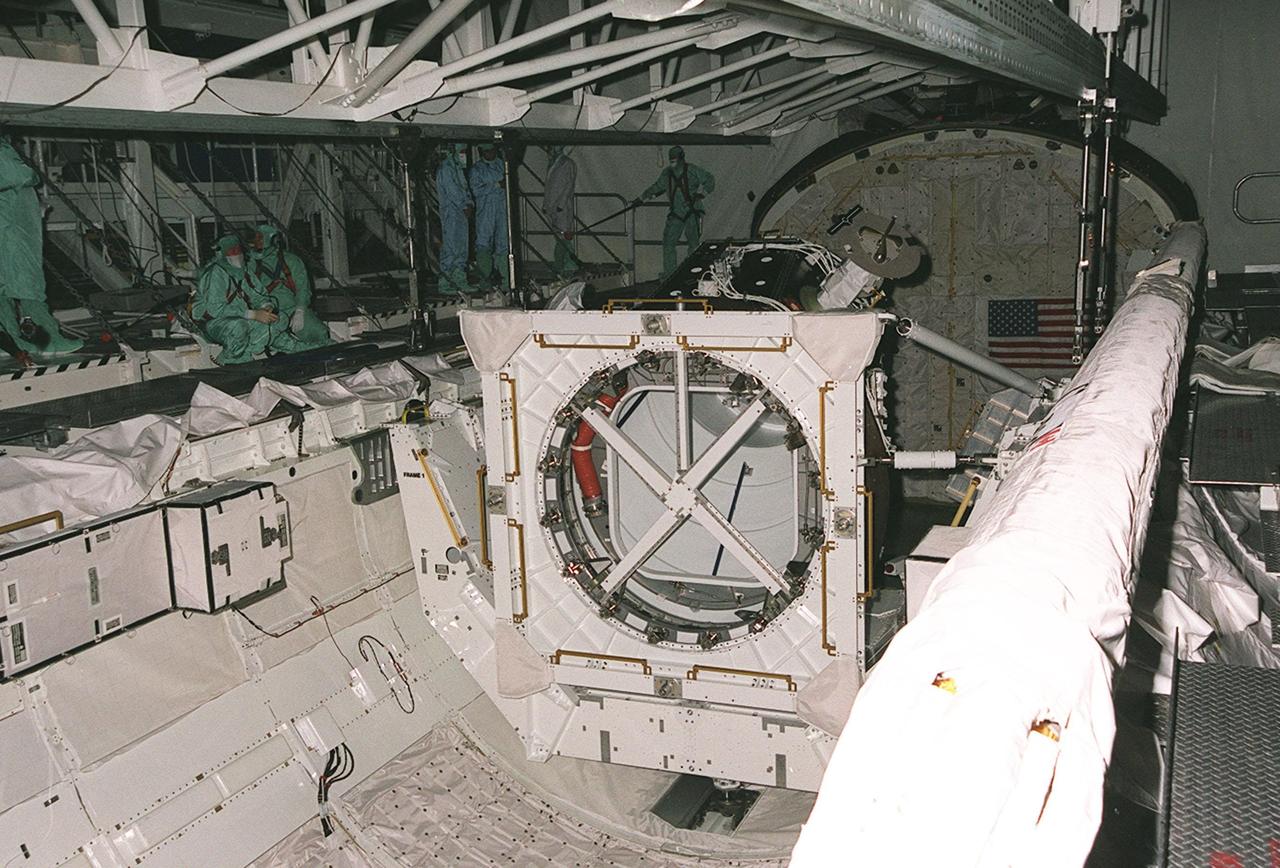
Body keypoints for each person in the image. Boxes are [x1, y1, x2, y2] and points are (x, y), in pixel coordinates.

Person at [0, 138, 83, 355]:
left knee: (3, 284)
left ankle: (7, 340)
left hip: (7, 221)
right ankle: (45, 341)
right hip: (14, 226)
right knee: (28, 280)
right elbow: (22, 175)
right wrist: (34, 174)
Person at [193, 234, 277, 365]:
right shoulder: (216, 273)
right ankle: (224, 360)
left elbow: (259, 295)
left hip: (238, 317)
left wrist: (266, 306)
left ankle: (244, 355)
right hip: (212, 322)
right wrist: (253, 314)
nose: (236, 253)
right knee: (239, 326)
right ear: (224, 254)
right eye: (232, 251)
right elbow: (215, 310)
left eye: (238, 250)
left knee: (277, 321)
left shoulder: (244, 271)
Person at [635, 145, 715, 278]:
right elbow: (656, 187)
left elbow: (709, 179)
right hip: (677, 212)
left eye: (674, 159)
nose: (672, 162)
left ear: (681, 158)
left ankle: (694, 273)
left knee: (693, 244)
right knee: (669, 244)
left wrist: (702, 194)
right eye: (671, 159)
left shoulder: (692, 170)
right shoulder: (667, 173)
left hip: (692, 211)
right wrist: (641, 198)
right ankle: (670, 275)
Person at [250, 223, 331, 350]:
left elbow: (303, 288)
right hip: (267, 313)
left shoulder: (292, 261)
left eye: (259, 238)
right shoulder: (251, 266)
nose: (255, 241)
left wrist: (300, 311)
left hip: (293, 310)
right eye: (255, 238)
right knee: (274, 340)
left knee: (319, 332)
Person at [469, 142, 510, 291]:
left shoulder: (502, 164)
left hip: (502, 208)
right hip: (486, 209)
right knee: (483, 242)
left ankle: (506, 280)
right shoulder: (477, 169)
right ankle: (485, 280)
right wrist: (496, 185)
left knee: (504, 243)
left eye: (492, 151)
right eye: (486, 152)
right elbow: (476, 189)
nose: (490, 154)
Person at [435, 143, 472, 295]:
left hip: (460, 212)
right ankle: (445, 282)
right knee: (451, 246)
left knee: (461, 246)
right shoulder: (446, 169)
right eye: (461, 151)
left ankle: (459, 280)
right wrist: (464, 204)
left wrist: (468, 203)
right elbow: (453, 190)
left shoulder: (456, 168)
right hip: (451, 212)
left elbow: (464, 188)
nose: (463, 154)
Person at [542, 144, 580, 277]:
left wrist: (562, 204)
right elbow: (549, 187)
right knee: (559, 236)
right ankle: (566, 264)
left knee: (564, 236)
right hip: (552, 205)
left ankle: (564, 264)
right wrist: (546, 205)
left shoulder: (567, 164)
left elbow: (568, 185)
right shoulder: (552, 163)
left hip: (561, 207)